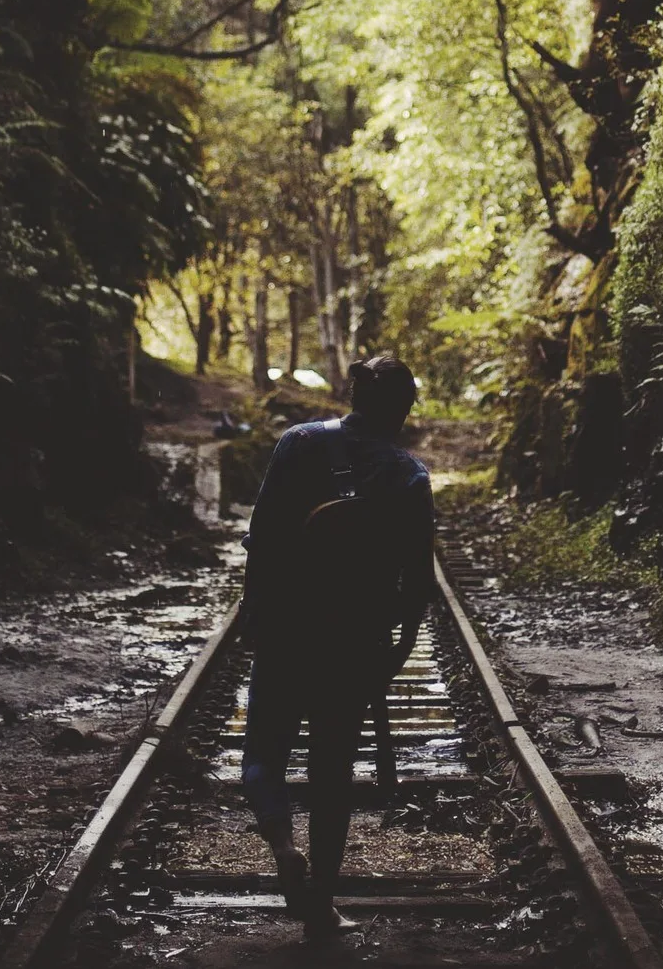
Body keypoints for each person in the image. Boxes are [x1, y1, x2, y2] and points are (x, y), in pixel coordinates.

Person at [237, 353, 434, 941]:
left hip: (284, 634)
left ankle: (280, 843)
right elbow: (417, 588)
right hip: (354, 647)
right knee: (332, 776)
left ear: (353, 396)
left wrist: (256, 615)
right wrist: (390, 654)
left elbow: (262, 537)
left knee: (262, 755)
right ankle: (320, 902)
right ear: (404, 409)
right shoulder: (409, 476)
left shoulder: (298, 443)